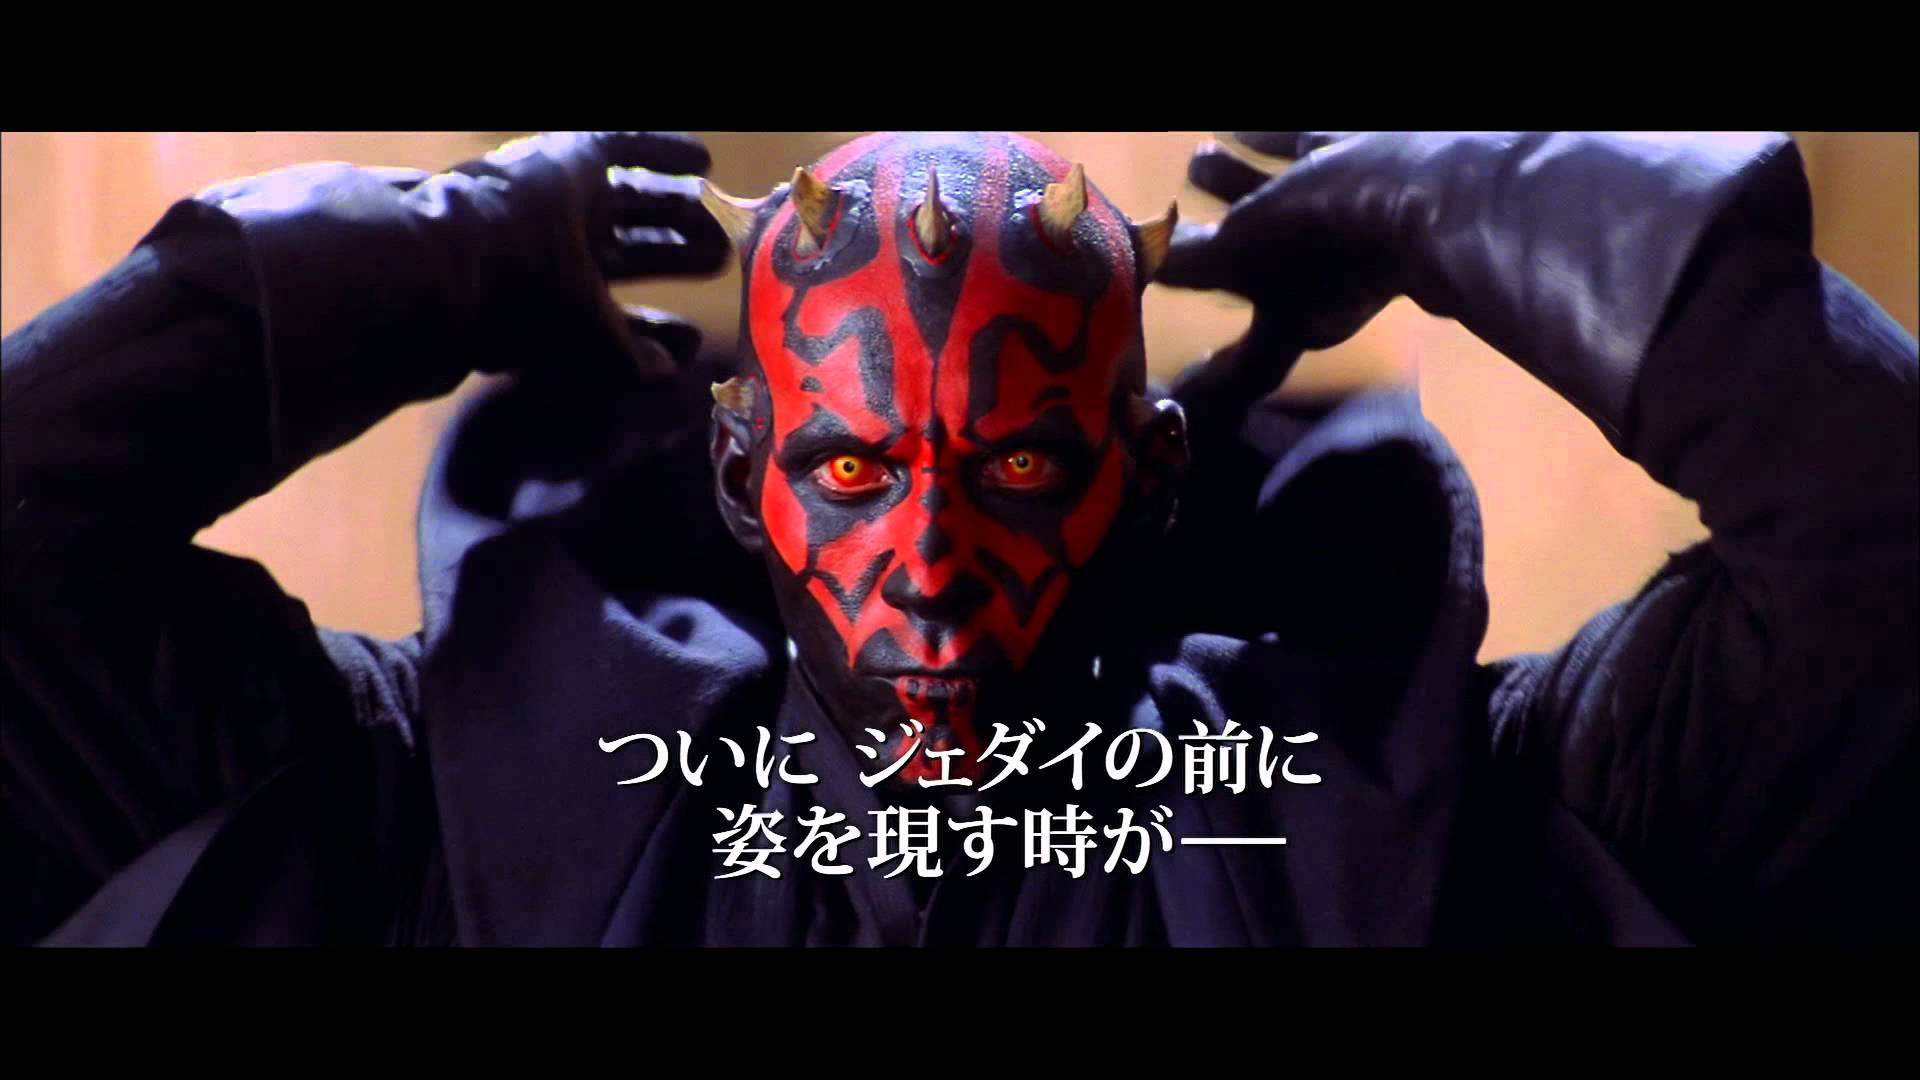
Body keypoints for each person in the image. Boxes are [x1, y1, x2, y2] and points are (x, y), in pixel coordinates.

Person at [2, 131, 1913, 946]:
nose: (925, 558)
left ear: (1144, 475)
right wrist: (428, 258)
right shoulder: (439, 812)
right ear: (740, 473)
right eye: (853, 471)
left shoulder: (1443, 819)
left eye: (1011, 467)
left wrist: (1463, 197)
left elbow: (1876, 535)